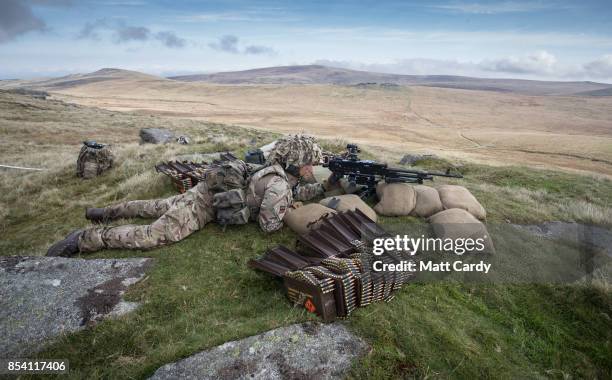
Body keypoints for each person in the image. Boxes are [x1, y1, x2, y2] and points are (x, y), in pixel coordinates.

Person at [46, 134, 324, 257]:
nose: (314, 168)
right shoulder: (279, 186)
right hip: (203, 207)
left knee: (154, 206)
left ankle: (102, 212)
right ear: (297, 164)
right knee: (154, 236)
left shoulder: (274, 171)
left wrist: (316, 189)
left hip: (202, 192)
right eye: (310, 163)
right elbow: (269, 226)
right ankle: (85, 239)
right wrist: (288, 209)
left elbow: (292, 191)